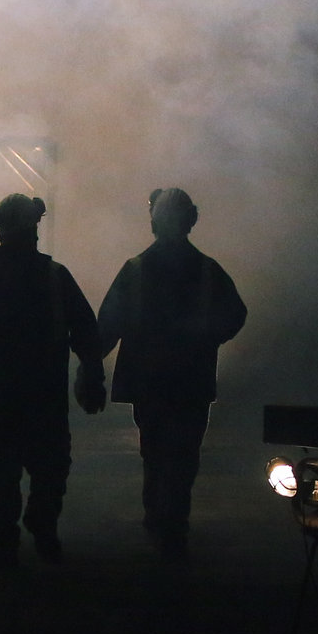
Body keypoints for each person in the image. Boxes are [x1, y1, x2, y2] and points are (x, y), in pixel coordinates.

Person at [0, 194, 107, 567]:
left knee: (3, 472)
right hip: (42, 396)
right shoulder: (53, 276)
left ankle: (6, 541)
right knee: (50, 466)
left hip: (0, 396)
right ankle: (38, 525)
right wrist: (92, 375)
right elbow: (85, 333)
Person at [96, 188, 248, 561]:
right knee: (184, 453)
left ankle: (157, 515)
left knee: (155, 448)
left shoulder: (136, 269)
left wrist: (90, 363)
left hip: (148, 379)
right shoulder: (207, 270)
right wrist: (208, 337)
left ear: (155, 221)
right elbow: (236, 314)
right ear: (190, 220)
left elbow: (109, 322)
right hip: (191, 380)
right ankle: (173, 521)